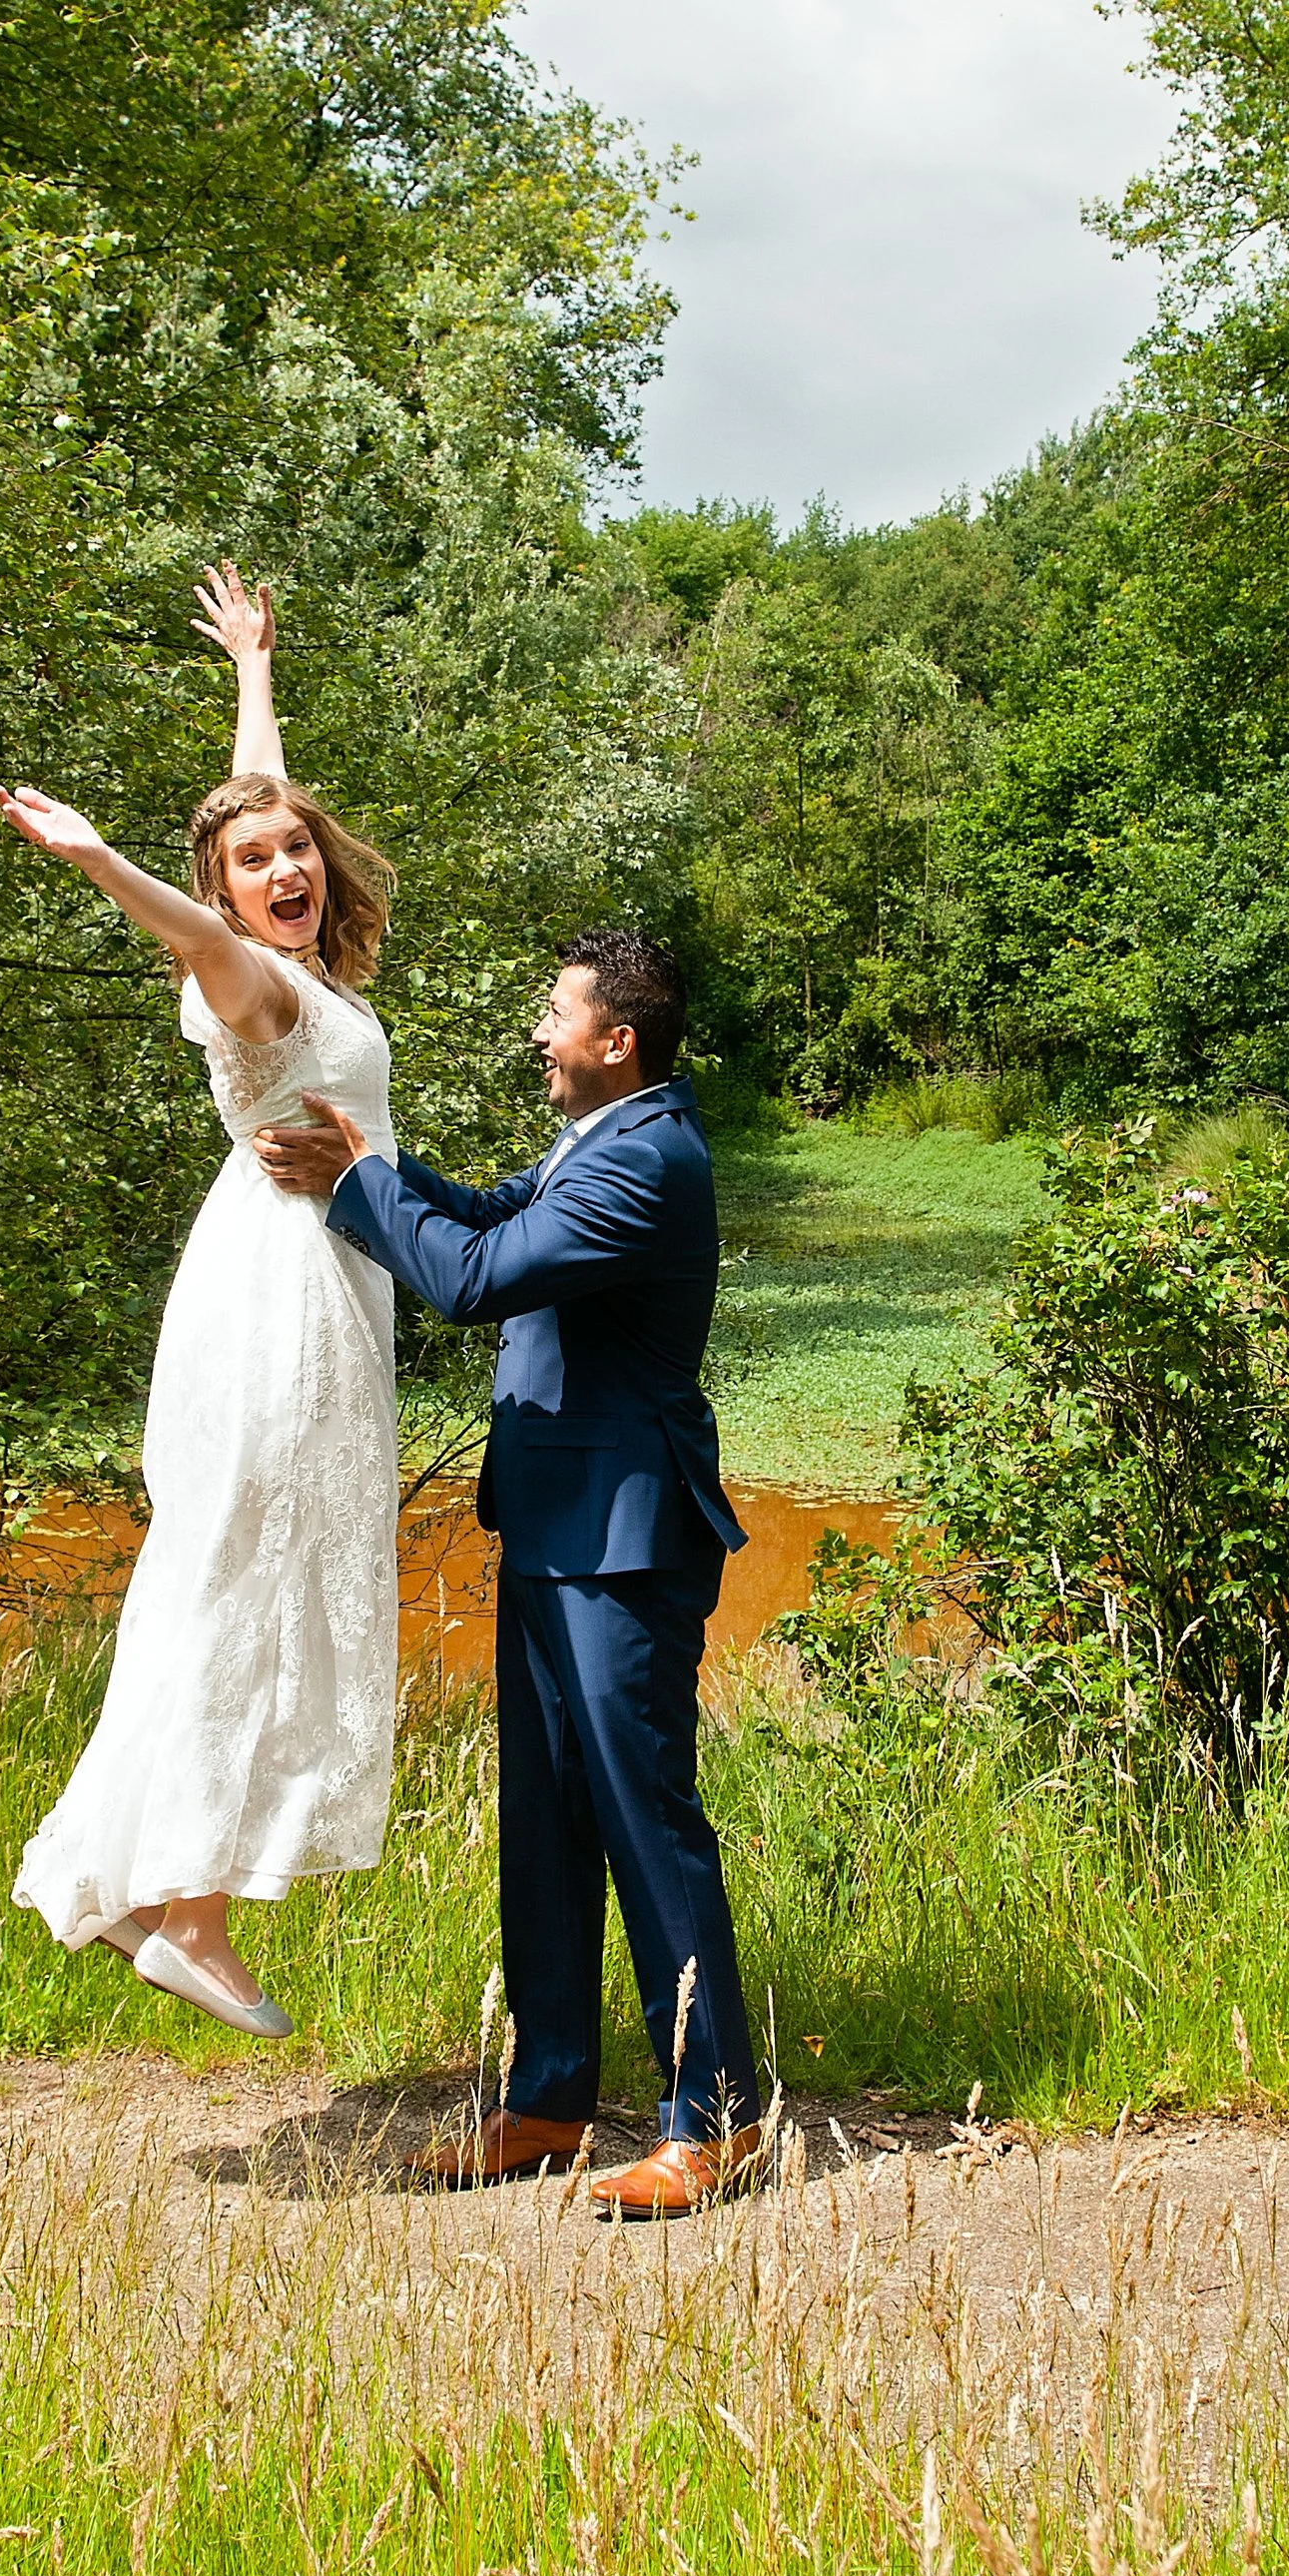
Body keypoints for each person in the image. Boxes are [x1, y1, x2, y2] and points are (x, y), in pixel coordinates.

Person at [258, 932, 764, 2219]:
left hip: (623, 1536)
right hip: (552, 1524)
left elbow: (474, 1277)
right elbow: (493, 1217)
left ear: (618, 1041)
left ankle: (714, 2123)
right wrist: (372, 1169)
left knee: (643, 1822)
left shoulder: (650, 1160)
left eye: (556, 1014)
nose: (539, 1033)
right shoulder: (599, 1142)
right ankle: (547, 2099)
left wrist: (358, 1186)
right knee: (542, 1821)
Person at [0, 567, 399, 2042]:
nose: (283, 866)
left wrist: (255, 670)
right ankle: (188, 1907)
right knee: (251, 1566)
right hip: (282, 1297)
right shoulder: (253, 987)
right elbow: (204, 931)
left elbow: (254, 811)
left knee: (251, 1560)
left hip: (301, 1277)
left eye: (299, 851)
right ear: (219, 896)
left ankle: (173, 1894)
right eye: (256, 862)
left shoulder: (295, 963)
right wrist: (101, 860)